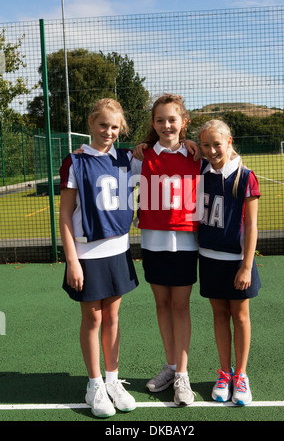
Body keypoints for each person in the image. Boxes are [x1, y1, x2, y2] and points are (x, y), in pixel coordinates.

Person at [59, 98, 139, 418]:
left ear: (121, 130)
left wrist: (188, 142)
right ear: (91, 122)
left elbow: (160, 150)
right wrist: (72, 260)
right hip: (86, 253)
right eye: (103, 124)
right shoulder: (75, 161)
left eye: (115, 127)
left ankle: (113, 380)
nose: (108, 131)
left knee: (113, 318)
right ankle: (94, 384)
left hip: (118, 249)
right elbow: (65, 215)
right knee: (93, 319)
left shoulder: (126, 158)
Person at [133, 93, 201, 406]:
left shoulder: (196, 156)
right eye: (159, 120)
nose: (166, 125)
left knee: (180, 307)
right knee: (162, 305)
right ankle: (171, 367)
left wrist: (200, 147)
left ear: (183, 122)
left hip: (186, 241)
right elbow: (112, 167)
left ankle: (183, 377)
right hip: (152, 241)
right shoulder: (142, 156)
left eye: (172, 119)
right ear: (153, 123)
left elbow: (224, 155)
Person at [197, 119, 261, 406]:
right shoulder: (201, 170)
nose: (211, 150)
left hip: (237, 262)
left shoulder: (246, 176)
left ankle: (242, 375)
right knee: (219, 316)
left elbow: (252, 226)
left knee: (241, 316)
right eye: (205, 145)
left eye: (216, 144)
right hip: (210, 259)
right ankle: (224, 372)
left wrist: (246, 266)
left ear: (230, 141)